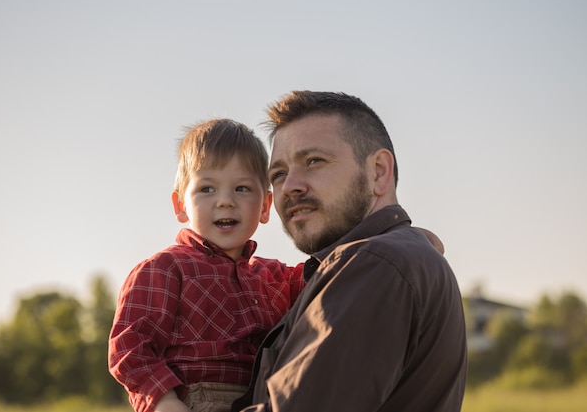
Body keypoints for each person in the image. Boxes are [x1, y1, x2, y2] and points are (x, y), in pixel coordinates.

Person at [231, 91, 468, 412]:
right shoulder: (399, 257)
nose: (289, 186)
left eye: (314, 161)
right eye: (279, 174)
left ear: (379, 171)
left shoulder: (375, 264)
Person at [108, 119, 305, 412]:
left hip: (267, 397)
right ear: (180, 205)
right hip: (196, 399)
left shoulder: (277, 276)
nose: (225, 201)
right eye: (207, 189)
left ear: (265, 206)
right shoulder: (164, 268)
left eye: (241, 188)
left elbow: (331, 275)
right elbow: (131, 346)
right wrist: (164, 400)